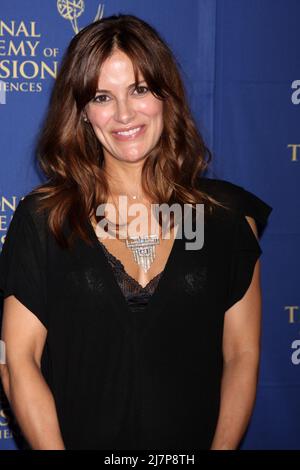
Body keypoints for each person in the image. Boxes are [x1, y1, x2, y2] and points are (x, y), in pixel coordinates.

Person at [0, 14, 272, 450]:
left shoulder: (225, 216)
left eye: (140, 89)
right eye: (103, 97)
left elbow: (242, 355)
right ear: (84, 113)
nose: (124, 114)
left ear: (165, 95)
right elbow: (18, 361)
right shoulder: (44, 219)